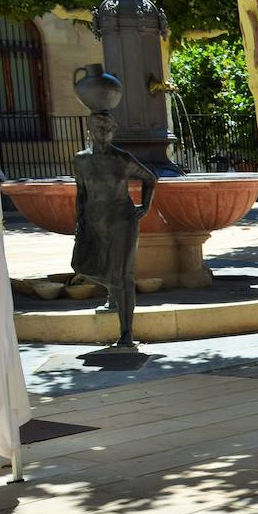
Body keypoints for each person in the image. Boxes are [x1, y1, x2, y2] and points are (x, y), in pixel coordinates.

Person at [72, 111, 156, 349]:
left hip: (122, 221)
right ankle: (113, 298)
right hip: (95, 220)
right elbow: (81, 192)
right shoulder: (81, 160)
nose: (104, 134)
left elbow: (151, 178)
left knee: (123, 274)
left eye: (109, 129)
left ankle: (127, 331)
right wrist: (80, 221)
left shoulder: (122, 159)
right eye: (100, 129)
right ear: (89, 130)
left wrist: (145, 207)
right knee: (88, 265)